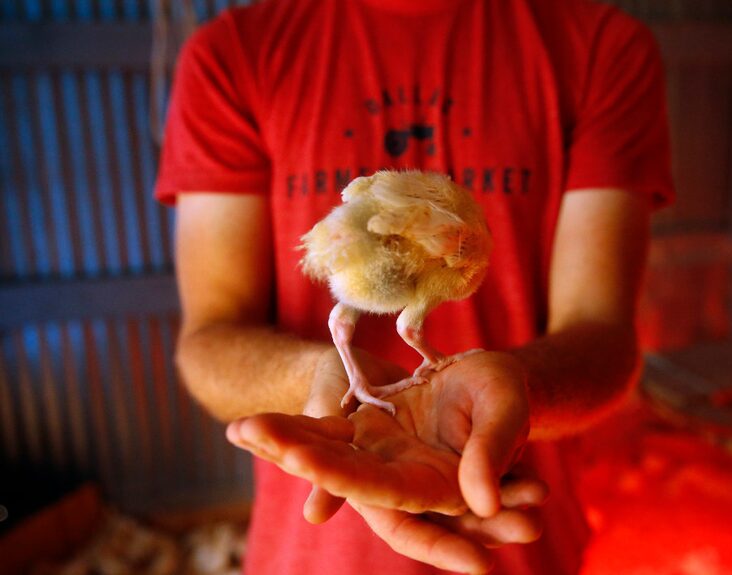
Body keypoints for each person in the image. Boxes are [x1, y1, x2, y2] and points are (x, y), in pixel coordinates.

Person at [155, 0, 674, 573]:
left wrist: (512, 389)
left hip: (522, 546)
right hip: (310, 553)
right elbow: (210, 337)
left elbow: (602, 330)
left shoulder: (600, 46)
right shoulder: (234, 52)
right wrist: (318, 379)